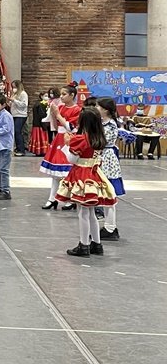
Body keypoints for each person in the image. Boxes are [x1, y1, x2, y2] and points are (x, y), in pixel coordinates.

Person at [55, 108, 117, 257]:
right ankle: (96, 243)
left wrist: (67, 144)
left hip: (82, 175)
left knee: (82, 212)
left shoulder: (81, 139)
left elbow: (72, 159)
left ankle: (84, 245)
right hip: (94, 174)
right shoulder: (99, 138)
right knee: (91, 212)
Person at [40, 84, 81, 210]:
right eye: (61, 94)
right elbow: (56, 126)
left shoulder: (77, 110)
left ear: (72, 95)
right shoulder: (61, 107)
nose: (61, 97)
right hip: (59, 138)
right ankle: (52, 198)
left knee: (67, 171)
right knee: (56, 173)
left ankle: (71, 198)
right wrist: (53, 114)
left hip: (69, 139)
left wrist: (57, 115)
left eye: (64, 94)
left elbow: (71, 127)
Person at [96, 97, 125, 241]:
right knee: (105, 194)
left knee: (109, 193)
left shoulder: (111, 124)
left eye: (98, 107)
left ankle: (110, 227)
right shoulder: (102, 122)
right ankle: (109, 225)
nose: (96, 109)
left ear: (105, 110)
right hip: (102, 157)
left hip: (107, 159)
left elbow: (102, 141)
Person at [28, 92, 50, 157]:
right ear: (41, 96)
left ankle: (37, 151)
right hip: (41, 124)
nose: (47, 97)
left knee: (37, 138)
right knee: (41, 137)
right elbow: (42, 115)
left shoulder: (37, 103)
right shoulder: (41, 104)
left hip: (36, 124)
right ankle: (42, 151)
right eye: (45, 96)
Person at [10, 80, 29, 156]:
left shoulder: (23, 94)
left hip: (21, 115)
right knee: (15, 132)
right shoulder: (14, 94)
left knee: (18, 131)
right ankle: (18, 148)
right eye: (12, 87)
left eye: (15, 87)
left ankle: (21, 150)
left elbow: (24, 104)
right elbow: (13, 104)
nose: (13, 89)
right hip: (14, 114)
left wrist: (14, 101)